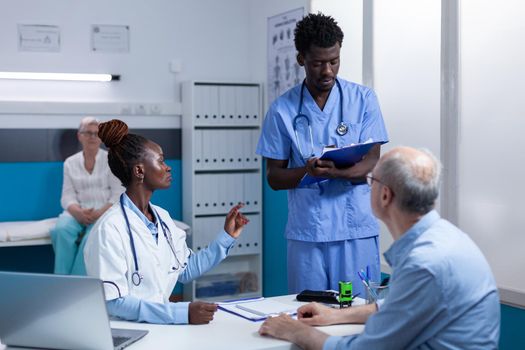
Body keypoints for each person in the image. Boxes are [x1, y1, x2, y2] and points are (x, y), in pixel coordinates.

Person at [259, 146, 500, 349]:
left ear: (385, 195)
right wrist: (336, 315)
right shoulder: (445, 238)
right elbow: (401, 306)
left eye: (370, 180)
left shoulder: (425, 263)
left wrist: (294, 331)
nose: (367, 186)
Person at [256, 13, 389, 294]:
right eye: (317, 63)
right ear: (301, 59)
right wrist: (308, 172)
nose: (327, 70)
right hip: (309, 237)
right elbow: (274, 177)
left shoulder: (363, 99)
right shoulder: (282, 110)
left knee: (359, 313)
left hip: (356, 233)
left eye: (334, 61)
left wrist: (335, 172)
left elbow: (372, 159)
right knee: (310, 315)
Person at [84, 119, 249, 325]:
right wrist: (180, 313)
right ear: (139, 171)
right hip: (124, 330)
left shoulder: (162, 218)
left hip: (161, 327)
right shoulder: (109, 228)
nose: (168, 167)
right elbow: (113, 302)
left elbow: (186, 269)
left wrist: (226, 237)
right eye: (161, 161)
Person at [50, 117, 123, 275]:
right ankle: (61, 280)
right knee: (60, 230)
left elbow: (118, 194)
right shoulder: (70, 163)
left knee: (91, 239)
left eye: (96, 133)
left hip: (105, 212)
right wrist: (78, 212)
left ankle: (78, 286)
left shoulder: (111, 160)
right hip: (78, 212)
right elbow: (67, 196)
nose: (92, 137)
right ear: (79, 136)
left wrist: (98, 213)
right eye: (88, 133)